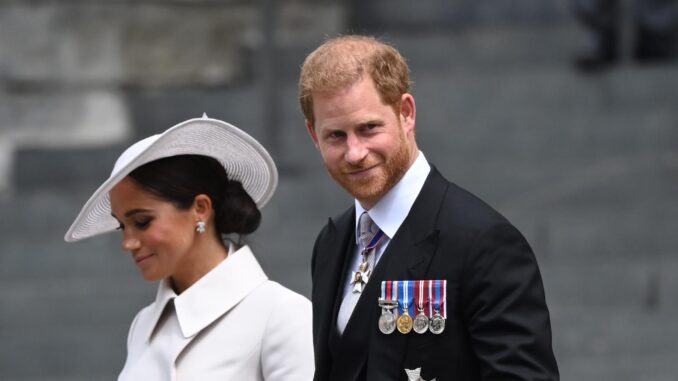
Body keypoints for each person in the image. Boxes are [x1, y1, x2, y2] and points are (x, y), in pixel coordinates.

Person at [298, 35, 559, 380]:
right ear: (314, 136)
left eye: (369, 128)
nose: (355, 152)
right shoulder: (331, 242)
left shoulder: (483, 242)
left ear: (406, 113)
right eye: (336, 136)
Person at [64, 116, 314, 380]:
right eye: (121, 226)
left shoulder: (281, 315)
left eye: (142, 222)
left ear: (200, 209)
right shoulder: (143, 325)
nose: (128, 243)